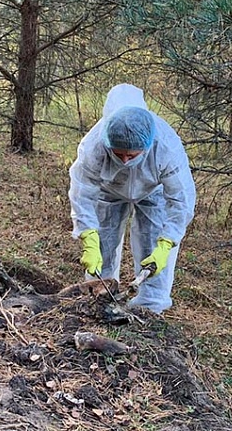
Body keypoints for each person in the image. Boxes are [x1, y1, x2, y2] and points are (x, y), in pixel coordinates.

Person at [68, 83, 196, 314]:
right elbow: (82, 193)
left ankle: (150, 307)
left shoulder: (166, 147)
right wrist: (88, 236)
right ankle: (101, 298)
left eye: (132, 155)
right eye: (119, 154)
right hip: (108, 191)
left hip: (152, 190)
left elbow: (181, 200)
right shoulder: (93, 146)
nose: (125, 161)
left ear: (146, 146)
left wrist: (166, 243)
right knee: (103, 244)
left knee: (152, 242)